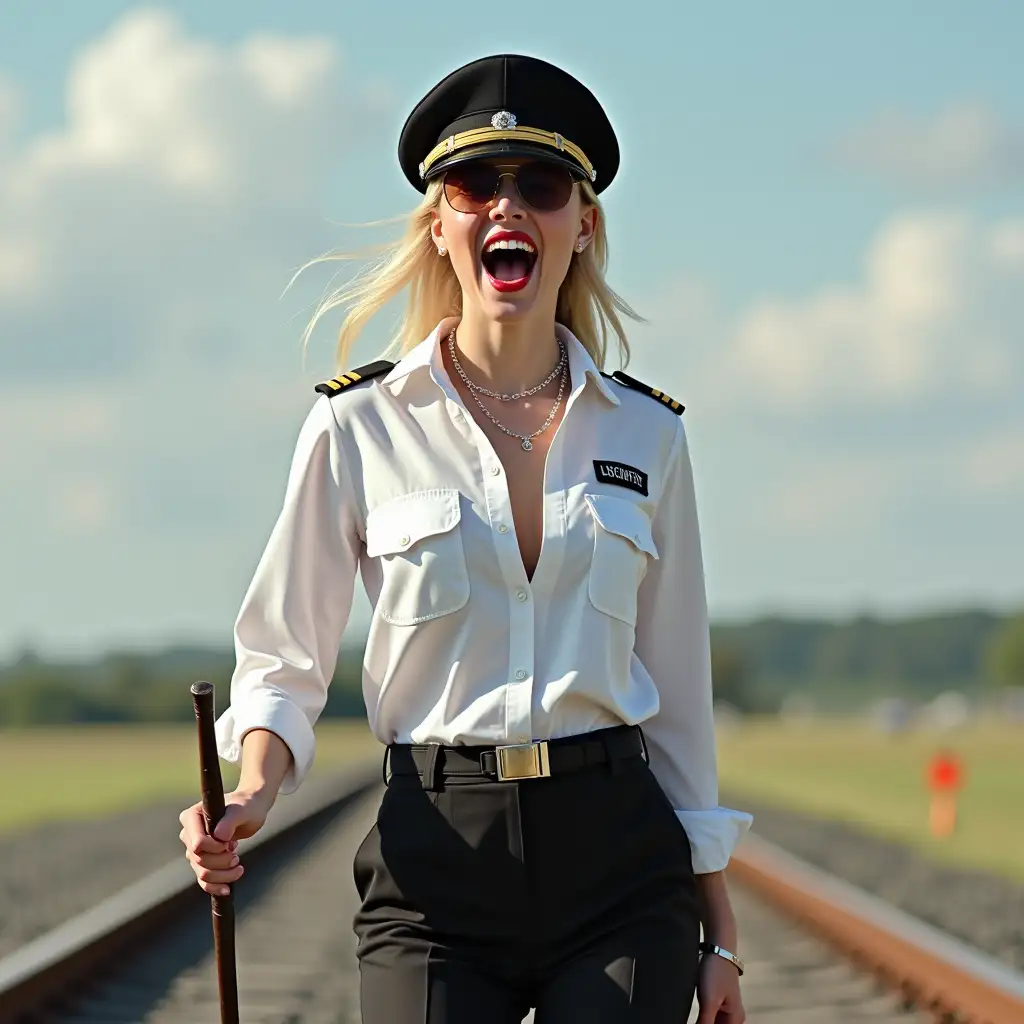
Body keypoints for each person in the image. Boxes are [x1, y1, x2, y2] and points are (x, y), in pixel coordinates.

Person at [178, 52, 753, 1023]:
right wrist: (253, 792)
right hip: (435, 863)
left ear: (583, 224)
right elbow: (284, 659)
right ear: (440, 226)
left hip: (618, 860)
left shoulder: (649, 436)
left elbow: (678, 700)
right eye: (474, 184)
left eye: (540, 184)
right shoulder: (356, 427)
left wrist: (721, 931)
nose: (506, 206)